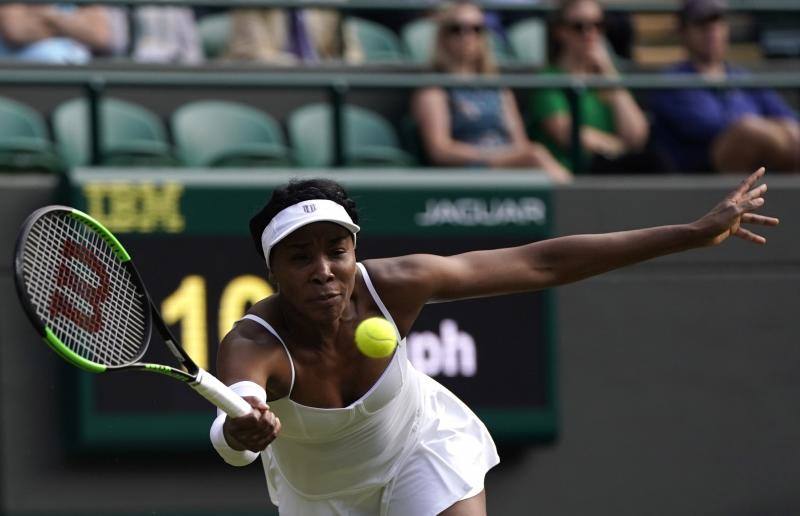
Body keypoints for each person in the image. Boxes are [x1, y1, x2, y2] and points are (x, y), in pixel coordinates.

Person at [210, 167, 777, 515]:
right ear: (273, 272)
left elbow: (541, 262)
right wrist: (240, 428)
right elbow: (233, 430)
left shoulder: (396, 285)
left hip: (419, 447)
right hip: (321, 500)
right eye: (300, 257)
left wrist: (690, 233)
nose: (324, 269)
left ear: (355, 251)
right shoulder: (255, 343)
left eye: (337, 249)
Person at [411, 1, 572, 183]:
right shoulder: (434, 89)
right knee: (536, 155)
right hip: (468, 170)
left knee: (535, 154)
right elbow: (440, 150)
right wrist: (494, 156)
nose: (467, 36)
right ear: (443, 36)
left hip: (507, 165)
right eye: (457, 29)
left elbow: (520, 142)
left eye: (476, 29)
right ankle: (575, 199)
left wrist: (510, 156)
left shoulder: (498, 88)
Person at [649, 0, 800, 173]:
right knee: (748, 132)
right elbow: (712, 129)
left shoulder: (742, 77)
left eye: (718, 23)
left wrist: (783, 131)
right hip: (705, 171)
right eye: (701, 25)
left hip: (762, 168)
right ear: (683, 32)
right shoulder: (671, 82)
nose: (712, 32)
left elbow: (787, 117)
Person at [527, 0, 665, 174]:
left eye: (598, 25)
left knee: (656, 162)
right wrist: (618, 148)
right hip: (573, 174)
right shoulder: (548, 78)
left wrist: (609, 74)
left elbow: (637, 137)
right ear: (560, 31)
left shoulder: (610, 77)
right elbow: (565, 133)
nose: (590, 33)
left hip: (611, 169)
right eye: (579, 26)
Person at [225, 8, 363, 64]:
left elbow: (352, 51)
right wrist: (298, 67)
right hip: (272, 83)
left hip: (321, 79)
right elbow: (254, 53)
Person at [0, 3, 125, 64]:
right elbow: (16, 31)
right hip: (24, 80)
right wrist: (68, 27)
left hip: (74, 79)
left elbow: (99, 36)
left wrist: (48, 17)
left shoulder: (85, 4)